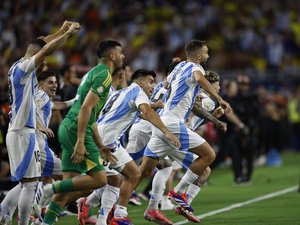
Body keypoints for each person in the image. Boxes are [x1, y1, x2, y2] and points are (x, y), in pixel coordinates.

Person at [138, 40, 231, 223]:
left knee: (142, 172)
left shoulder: (178, 67)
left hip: (161, 122)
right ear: (198, 56)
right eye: (206, 52)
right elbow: (199, 79)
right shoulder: (197, 69)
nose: (208, 55)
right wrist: (218, 98)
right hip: (172, 123)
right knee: (209, 155)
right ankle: (179, 194)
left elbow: (166, 88)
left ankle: (143, 209)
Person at [35, 40, 123, 225]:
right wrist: (81, 141)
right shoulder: (105, 75)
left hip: (68, 127)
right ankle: (47, 189)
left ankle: (44, 223)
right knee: (99, 179)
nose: (123, 56)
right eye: (120, 53)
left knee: (67, 191)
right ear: (112, 56)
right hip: (76, 129)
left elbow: (91, 115)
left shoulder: (91, 73)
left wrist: (101, 146)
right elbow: (85, 109)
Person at [0, 21, 79, 225]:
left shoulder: (16, 68)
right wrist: (68, 34)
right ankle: (26, 221)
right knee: (30, 184)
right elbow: (44, 49)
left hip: (19, 130)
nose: (42, 65)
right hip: (24, 132)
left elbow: (41, 43)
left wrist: (61, 31)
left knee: (27, 182)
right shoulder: (25, 68)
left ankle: (6, 211)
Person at [82, 69, 179, 225]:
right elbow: (146, 111)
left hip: (106, 139)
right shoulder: (138, 92)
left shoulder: (119, 93)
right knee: (96, 181)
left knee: (128, 176)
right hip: (105, 141)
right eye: (150, 81)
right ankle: (55, 197)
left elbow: (137, 112)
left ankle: (114, 216)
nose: (152, 86)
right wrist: (166, 131)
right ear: (140, 82)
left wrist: (152, 106)